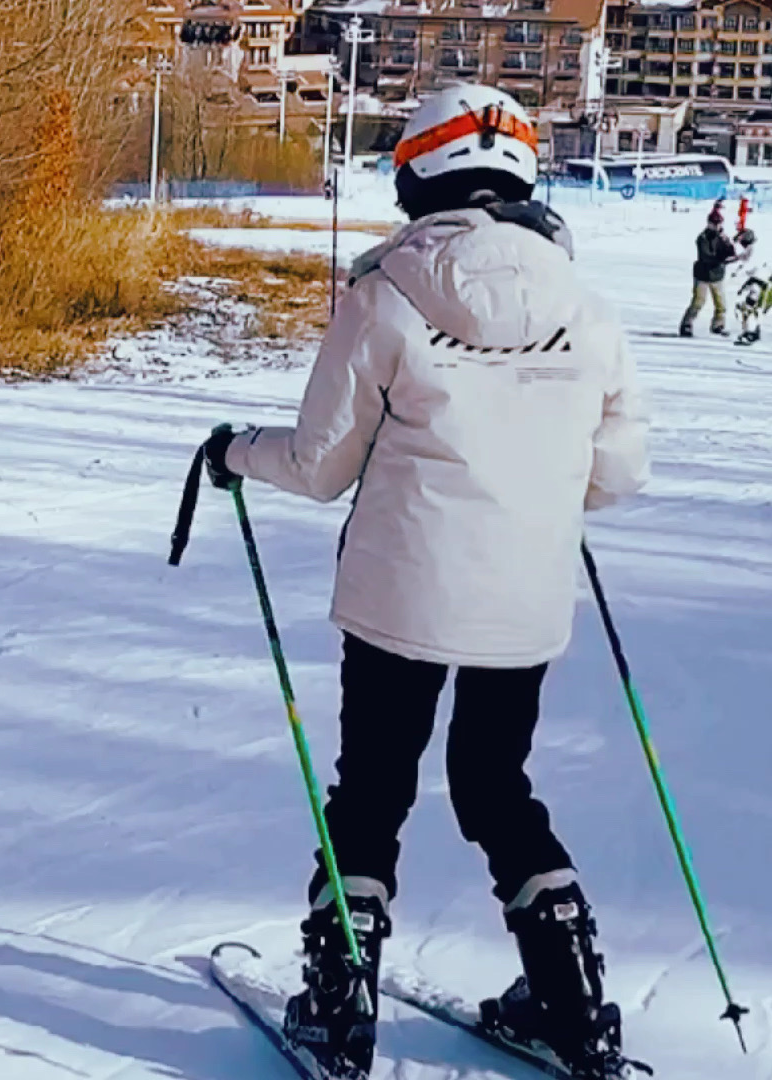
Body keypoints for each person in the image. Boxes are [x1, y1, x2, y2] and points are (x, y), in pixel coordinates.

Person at [198, 82, 650, 1080]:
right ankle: (571, 1003)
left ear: (420, 175)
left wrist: (235, 453)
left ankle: (339, 1003)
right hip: (523, 603)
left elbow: (321, 466)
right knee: (498, 789)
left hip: (399, 595)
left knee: (372, 793)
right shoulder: (588, 306)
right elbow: (618, 474)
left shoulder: (385, 294)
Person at [682, 209, 738, 336]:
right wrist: (722, 260)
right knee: (698, 301)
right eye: (714, 223)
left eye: (719, 224)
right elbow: (706, 255)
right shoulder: (702, 238)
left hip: (717, 275)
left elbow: (731, 252)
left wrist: (727, 243)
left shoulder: (722, 238)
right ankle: (687, 324)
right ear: (709, 223)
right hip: (703, 274)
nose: (717, 226)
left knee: (721, 303)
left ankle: (718, 325)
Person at [734, 264, 772, 346]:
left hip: (757, 302)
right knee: (750, 316)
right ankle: (752, 333)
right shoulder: (769, 285)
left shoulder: (763, 284)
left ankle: (751, 334)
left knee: (751, 316)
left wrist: (742, 289)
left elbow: (753, 280)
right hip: (757, 302)